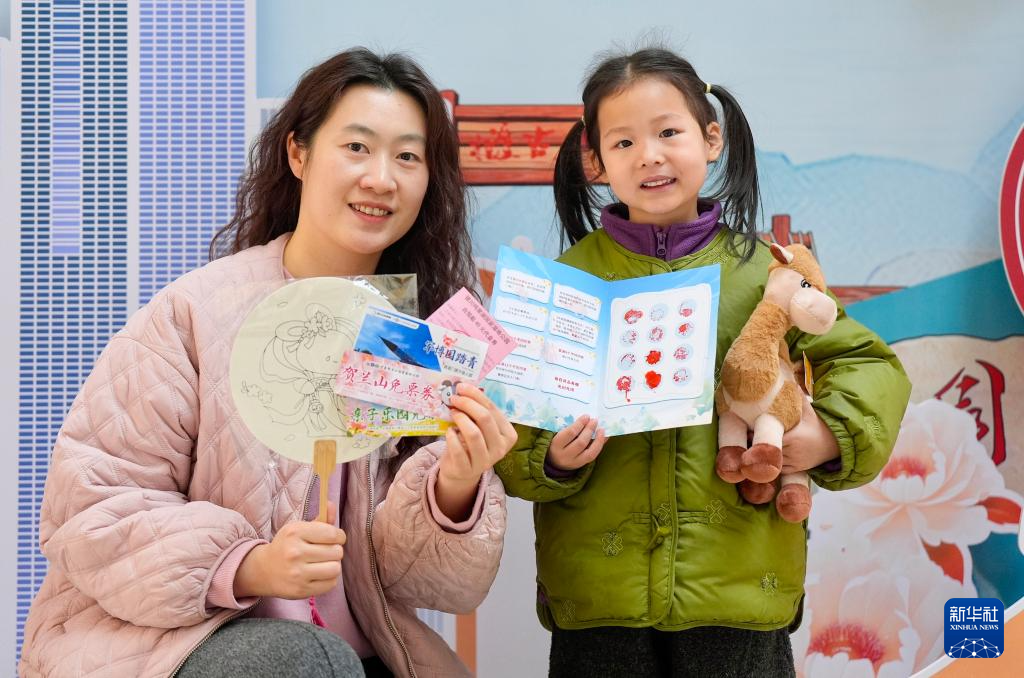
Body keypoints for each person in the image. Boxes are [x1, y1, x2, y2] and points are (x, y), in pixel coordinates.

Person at [20, 48, 517, 678]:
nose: (381, 178)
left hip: (357, 649)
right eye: (357, 147)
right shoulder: (194, 313)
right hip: (172, 645)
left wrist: (455, 486)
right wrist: (248, 565)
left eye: (407, 157)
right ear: (298, 154)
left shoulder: (417, 341)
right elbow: (91, 511)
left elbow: (431, 587)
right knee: (303, 660)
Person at [495, 47, 911, 678]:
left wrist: (825, 435)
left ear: (711, 139)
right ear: (596, 160)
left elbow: (866, 362)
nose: (649, 155)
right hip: (598, 602)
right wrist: (549, 458)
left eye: (668, 132)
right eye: (624, 142)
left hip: (739, 592)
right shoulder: (563, 285)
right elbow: (512, 417)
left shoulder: (767, 273)